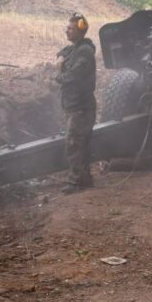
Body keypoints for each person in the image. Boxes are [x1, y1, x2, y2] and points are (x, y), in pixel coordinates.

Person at [56, 12, 97, 194]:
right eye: (67, 27)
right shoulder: (76, 48)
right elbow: (64, 52)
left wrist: (59, 74)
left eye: (71, 29)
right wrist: (60, 57)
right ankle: (84, 179)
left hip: (81, 107)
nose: (67, 31)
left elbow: (72, 76)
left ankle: (76, 182)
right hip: (75, 106)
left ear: (81, 32)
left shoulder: (85, 52)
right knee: (79, 143)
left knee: (74, 144)